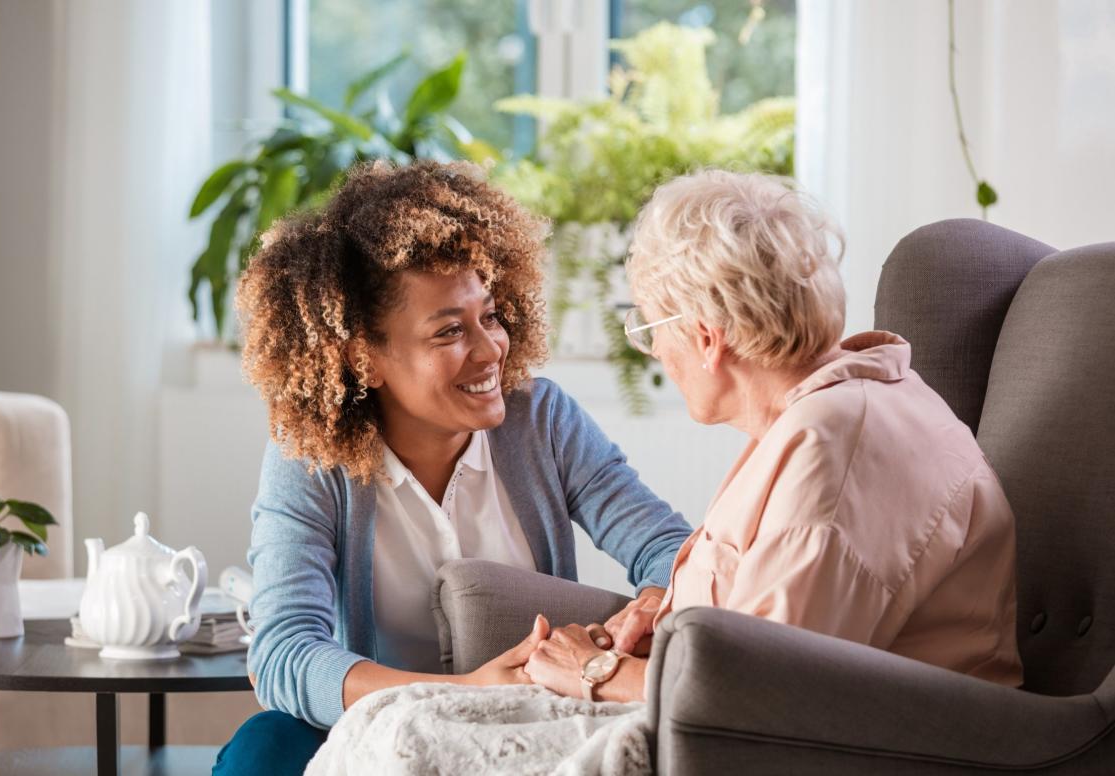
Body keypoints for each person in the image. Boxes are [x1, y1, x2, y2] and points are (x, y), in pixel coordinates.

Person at [210, 160, 694, 776]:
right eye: (449, 332)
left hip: (522, 729)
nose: (492, 348)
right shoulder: (310, 459)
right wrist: (462, 691)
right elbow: (283, 654)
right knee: (265, 746)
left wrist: (651, 604)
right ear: (364, 358)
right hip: (375, 735)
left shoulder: (541, 421)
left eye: (489, 316)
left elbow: (667, 547)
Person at [522, 169, 1023, 703]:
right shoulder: (835, 407)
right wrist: (670, 617)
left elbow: (763, 696)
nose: (658, 354)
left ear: (706, 337)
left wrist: (596, 671)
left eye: (648, 329)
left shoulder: (834, 447)